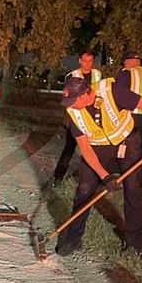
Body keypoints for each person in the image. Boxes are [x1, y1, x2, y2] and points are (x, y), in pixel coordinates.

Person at [55, 76, 142, 257]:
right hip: (98, 147)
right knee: (84, 189)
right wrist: (104, 176)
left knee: (133, 188)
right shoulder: (73, 112)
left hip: (127, 141)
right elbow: (85, 149)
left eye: (73, 101)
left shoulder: (113, 92)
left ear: (85, 93)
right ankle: (73, 239)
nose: (71, 106)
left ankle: (135, 241)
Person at [52, 49, 103, 186]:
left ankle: (95, 178)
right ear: (80, 61)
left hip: (93, 117)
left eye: (90, 61)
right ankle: (58, 177)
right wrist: (68, 120)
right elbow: (67, 100)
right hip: (76, 118)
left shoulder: (97, 74)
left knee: (94, 149)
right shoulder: (72, 75)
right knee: (69, 148)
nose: (88, 64)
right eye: (85, 61)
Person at [115, 51, 142, 188]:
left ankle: (123, 179)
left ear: (127, 61)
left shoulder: (126, 73)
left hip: (129, 116)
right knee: (141, 149)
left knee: (125, 149)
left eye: (124, 63)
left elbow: (117, 96)